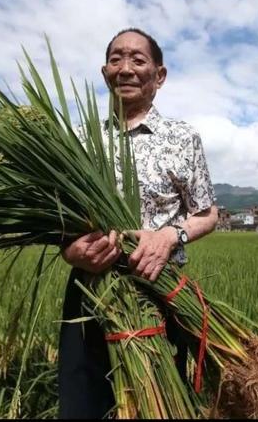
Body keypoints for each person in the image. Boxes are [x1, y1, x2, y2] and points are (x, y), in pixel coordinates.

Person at [57, 28, 219, 419]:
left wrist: (170, 235)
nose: (125, 68)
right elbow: (60, 218)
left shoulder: (182, 137)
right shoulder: (80, 139)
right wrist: (70, 249)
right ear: (104, 72)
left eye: (138, 60)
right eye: (116, 59)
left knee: (159, 405)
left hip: (160, 291)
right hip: (90, 291)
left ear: (159, 76)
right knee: (84, 405)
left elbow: (207, 212)